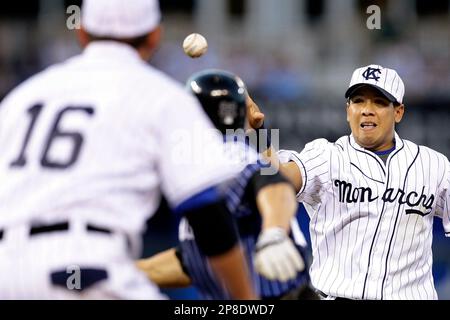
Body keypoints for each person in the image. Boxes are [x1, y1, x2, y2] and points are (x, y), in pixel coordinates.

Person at [0, 0, 256, 299]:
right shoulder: (161, 96)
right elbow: (208, 215)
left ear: (81, 31)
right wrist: (247, 301)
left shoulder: (23, 97)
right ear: (154, 36)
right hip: (85, 266)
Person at [246, 64, 450, 300]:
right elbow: (277, 178)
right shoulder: (328, 156)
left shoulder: (433, 165)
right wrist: (258, 133)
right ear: (347, 110)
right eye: (359, 101)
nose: (367, 110)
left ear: (398, 112)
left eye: (380, 102)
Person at [137, 69, 319, 300]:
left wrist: (274, 231)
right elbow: (197, 258)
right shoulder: (197, 161)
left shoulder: (228, 153)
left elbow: (273, 185)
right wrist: (132, 271)